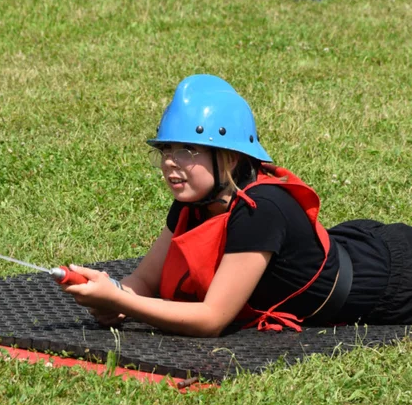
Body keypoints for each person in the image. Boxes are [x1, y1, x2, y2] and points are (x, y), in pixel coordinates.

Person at [64, 74, 412, 336]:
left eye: (186, 150)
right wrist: (112, 295)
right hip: (355, 246)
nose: (170, 162)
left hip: (394, 280)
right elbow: (145, 280)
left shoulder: (260, 211)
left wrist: (123, 302)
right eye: (166, 150)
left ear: (229, 158)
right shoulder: (193, 203)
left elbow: (211, 319)